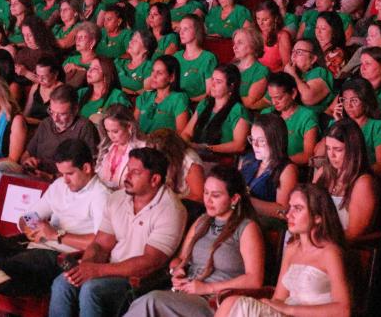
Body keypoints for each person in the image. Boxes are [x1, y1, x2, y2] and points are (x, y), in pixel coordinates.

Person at [0, 140, 112, 316]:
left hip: (56, 259)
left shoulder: (101, 196)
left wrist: (57, 235)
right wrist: (30, 228)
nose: (65, 180)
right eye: (61, 174)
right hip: (28, 248)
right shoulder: (59, 185)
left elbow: (101, 243)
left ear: (86, 168)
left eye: (69, 174)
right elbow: (28, 217)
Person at [49, 147, 188, 317]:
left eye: (135, 172)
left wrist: (97, 271)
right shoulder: (118, 198)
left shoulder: (171, 210)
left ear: (154, 179)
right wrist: (86, 266)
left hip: (138, 281)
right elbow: (101, 245)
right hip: (108, 269)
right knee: (62, 283)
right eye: (128, 169)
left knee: (92, 289)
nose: (127, 176)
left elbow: (150, 262)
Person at [124, 166, 265, 317]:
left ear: (234, 198)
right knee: (139, 300)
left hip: (216, 301)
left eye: (215, 195)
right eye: (205, 192)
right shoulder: (202, 221)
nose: (208, 200)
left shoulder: (246, 228)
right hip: (186, 292)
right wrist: (176, 271)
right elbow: (180, 259)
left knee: (151, 301)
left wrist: (207, 288)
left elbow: (254, 280)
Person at [215, 185, 350, 317]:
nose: (289, 214)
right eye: (290, 207)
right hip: (284, 314)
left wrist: (290, 310)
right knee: (231, 303)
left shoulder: (330, 253)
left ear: (317, 217)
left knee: (233, 303)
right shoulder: (292, 249)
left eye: (298, 208)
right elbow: (279, 298)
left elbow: (343, 310)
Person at [312, 119, 377, 240]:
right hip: (317, 237)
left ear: (353, 150)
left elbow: (354, 233)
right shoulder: (323, 172)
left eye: (338, 149)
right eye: (328, 148)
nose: (331, 155)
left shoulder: (363, 182)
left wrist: (320, 241)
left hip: (341, 244)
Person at [19, 85, 99, 179]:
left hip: (62, 182)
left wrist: (50, 177)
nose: (55, 119)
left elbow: (88, 168)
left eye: (62, 114)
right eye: (52, 112)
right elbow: (26, 154)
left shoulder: (84, 127)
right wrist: (27, 162)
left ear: (75, 110)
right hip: (35, 175)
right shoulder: (46, 123)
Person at [182, 64, 252, 156]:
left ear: (231, 86)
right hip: (197, 154)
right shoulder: (205, 103)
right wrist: (188, 144)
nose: (212, 85)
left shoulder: (238, 110)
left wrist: (206, 148)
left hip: (221, 159)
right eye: (212, 79)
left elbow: (239, 145)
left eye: (218, 82)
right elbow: (186, 133)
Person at [238, 114, 299, 220]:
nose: (255, 145)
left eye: (261, 141)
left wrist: (245, 201)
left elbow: (283, 211)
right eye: (252, 139)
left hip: (264, 222)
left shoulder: (287, 170)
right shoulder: (248, 159)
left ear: (276, 141)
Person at [136, 55, 190, 134]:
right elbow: (133, 127)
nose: (153, 76)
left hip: (164, 141)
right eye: (153, 71)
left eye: (159, 73)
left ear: (171, 77)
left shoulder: (179, 99)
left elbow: (180, 133)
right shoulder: (145, 96)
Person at [175, 15, 217, 101]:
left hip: (197, 105)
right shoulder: (176, 56)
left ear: (196, 31)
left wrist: (188, 101)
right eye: (180, 29)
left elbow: (210, 93)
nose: (181, 32)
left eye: (185, 29)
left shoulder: (208, 58)